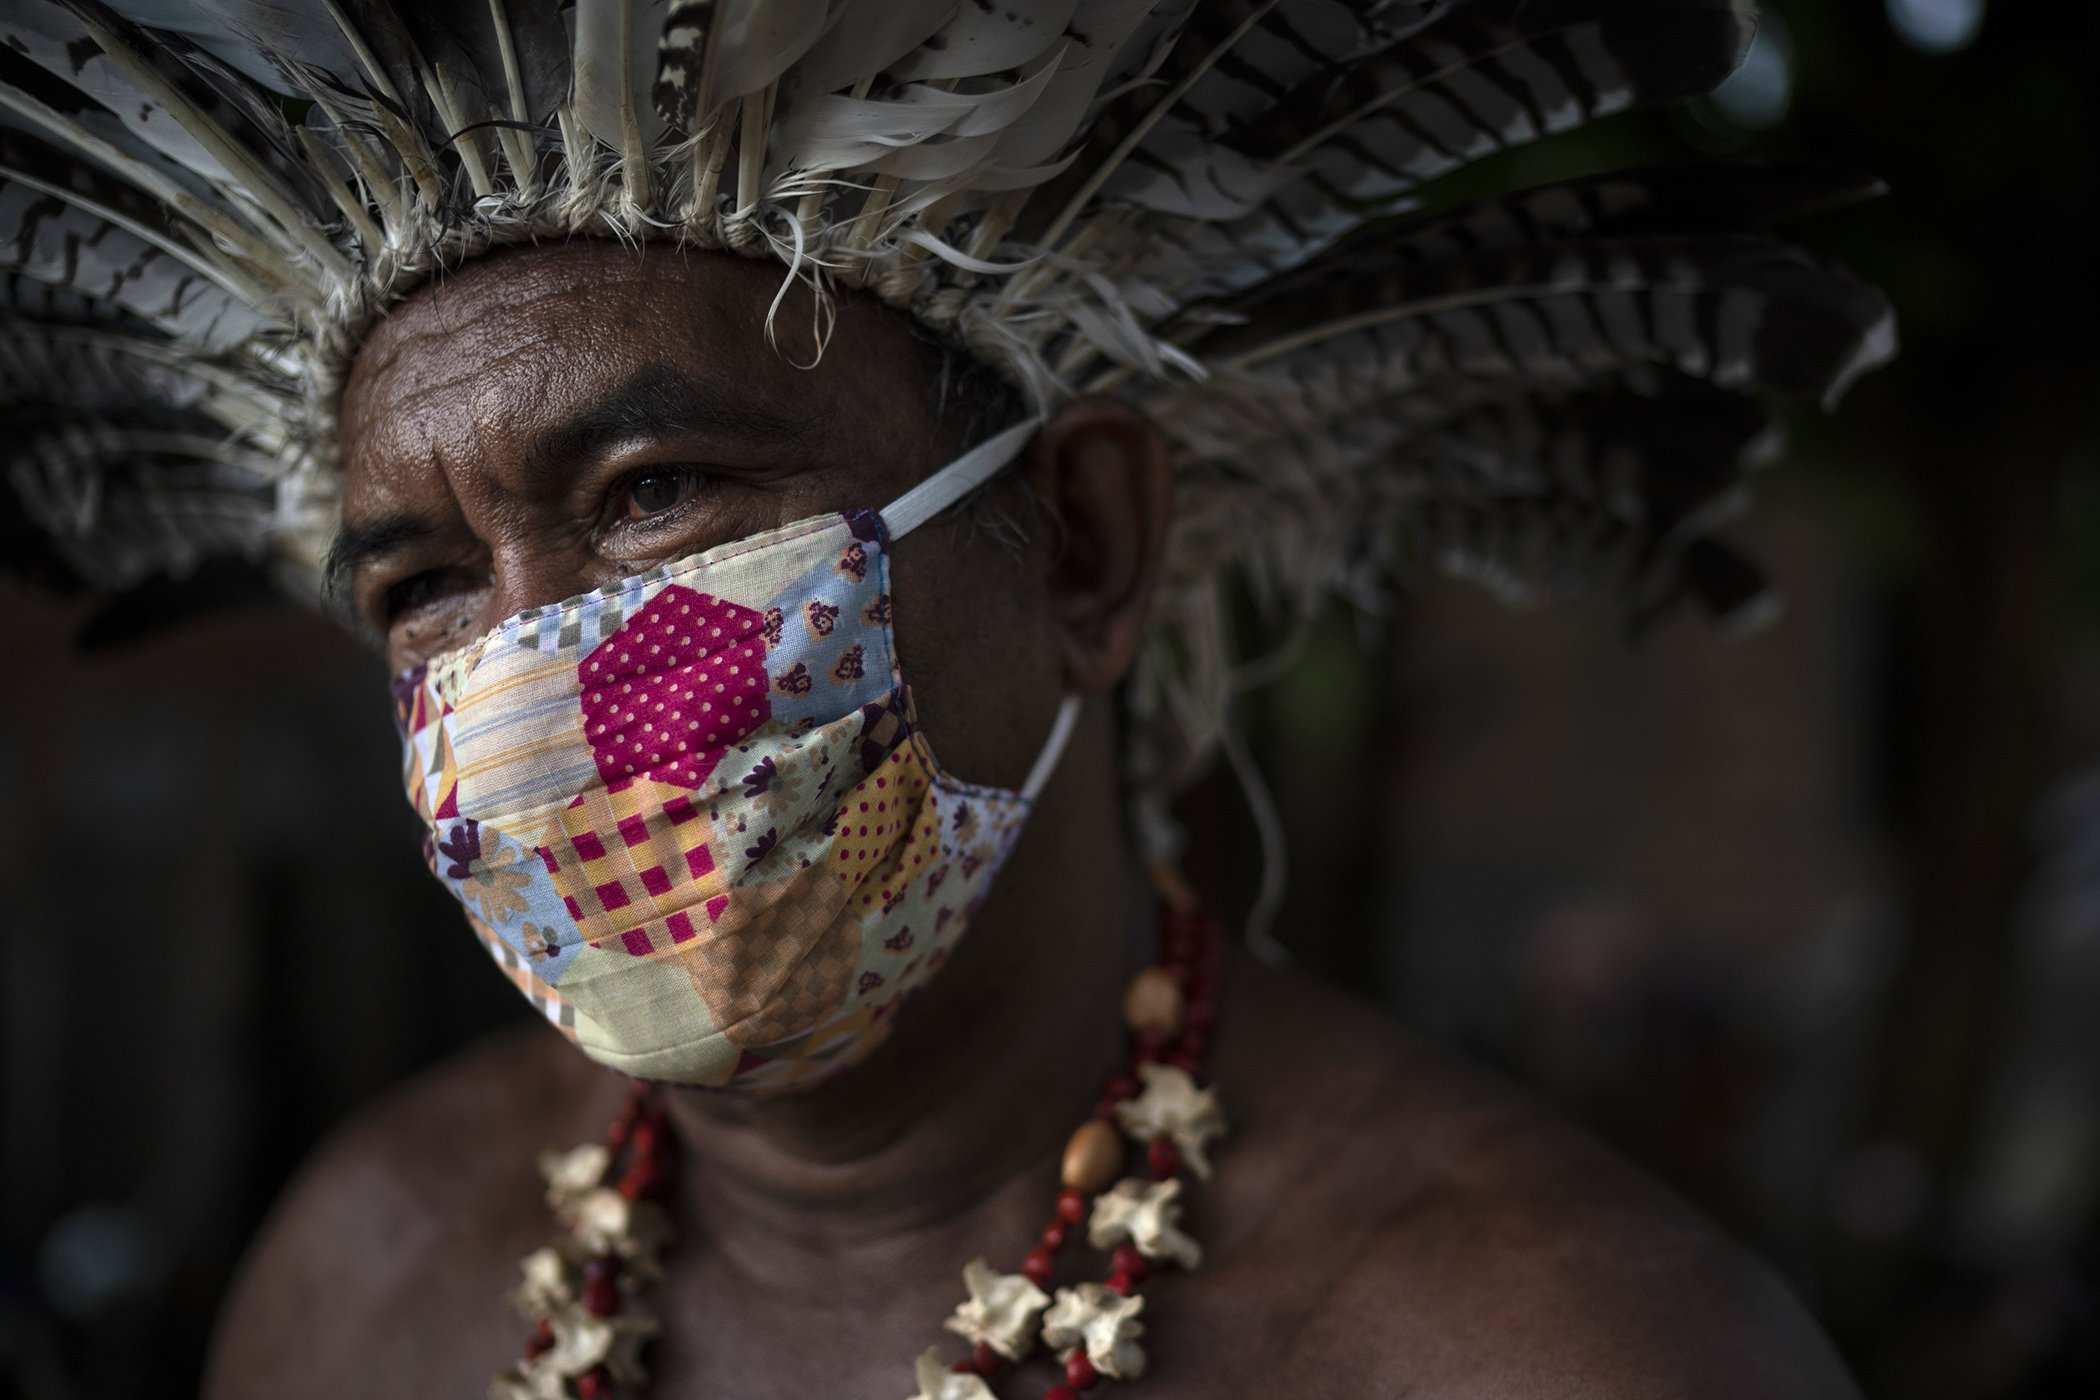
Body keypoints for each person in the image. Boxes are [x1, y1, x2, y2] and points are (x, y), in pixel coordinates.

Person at [0, 2, 1891, 1396]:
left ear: (1080, 546)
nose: (526, 696)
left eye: (655, 494)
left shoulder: (1551, 1350)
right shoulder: (365, 1282)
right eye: (420, 587)